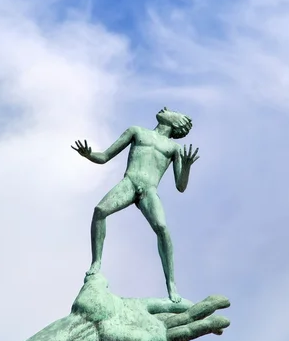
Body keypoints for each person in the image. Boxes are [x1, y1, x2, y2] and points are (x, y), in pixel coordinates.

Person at [72, 107, 199, 302]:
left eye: (170, 111)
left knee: (162, 229)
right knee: (100, 210)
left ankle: (171, 285)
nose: (164, 109)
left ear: (176, 123)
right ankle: (96, 263)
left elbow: (180, 186)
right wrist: (89, 155)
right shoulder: (137, 131)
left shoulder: (174, 148)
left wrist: (187, 167)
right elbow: (105, 156)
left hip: (149, 190)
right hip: (129, 182)